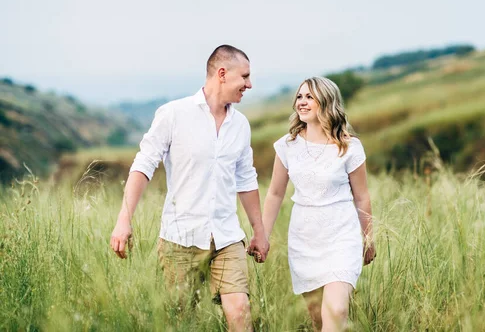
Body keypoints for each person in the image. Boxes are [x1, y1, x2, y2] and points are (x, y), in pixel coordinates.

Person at [110, 44, 269, 332]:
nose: (249, 84)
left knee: (240, 311)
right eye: (244, 76)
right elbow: (143, 166)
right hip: (179, 238)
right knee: (179, 321)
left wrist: (259, 231)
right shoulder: (173, 114)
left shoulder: (241, 125)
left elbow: (246, 180)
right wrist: (124, 220)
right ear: (222, 74)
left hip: (227, 237)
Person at [262, 76, 376, 331]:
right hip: (304, 239)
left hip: (341, 237)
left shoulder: (349, 147)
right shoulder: (287, 146)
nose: (302, 102)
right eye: (299, 97)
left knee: (336, 311)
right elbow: (275, 194)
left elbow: (362, 196)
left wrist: (368, 238)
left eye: (309, 97)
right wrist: (263, 235)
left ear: (326, 102)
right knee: (318, 320)